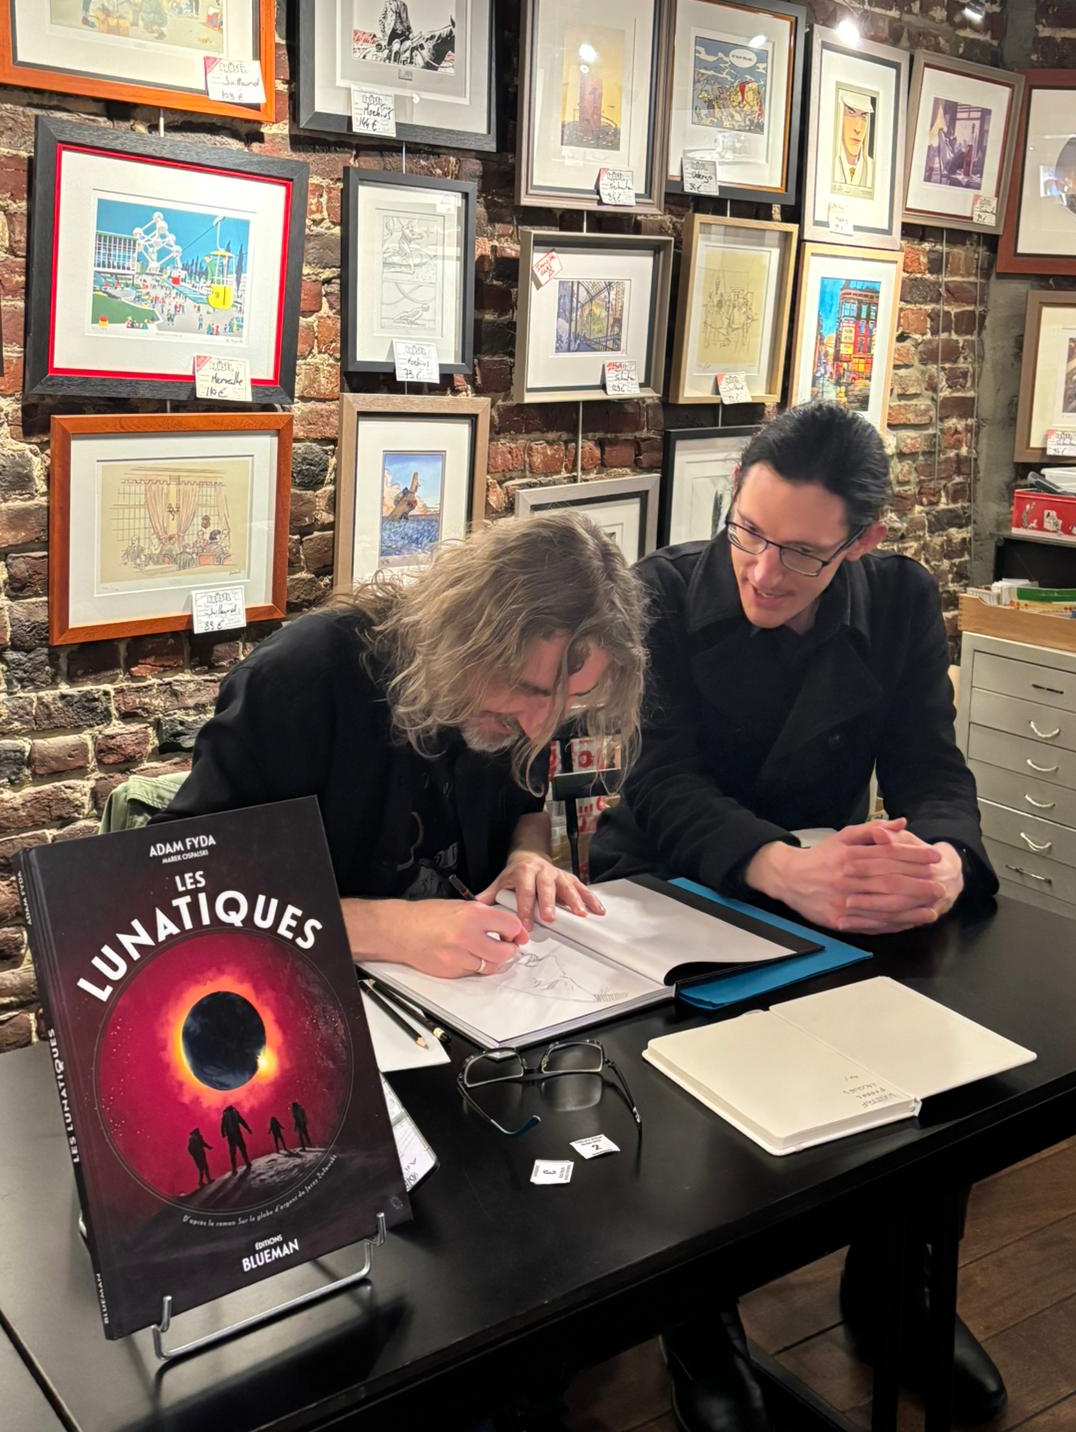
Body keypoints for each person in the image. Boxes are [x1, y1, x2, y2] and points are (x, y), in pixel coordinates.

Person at [590, 402, 1004, 1429]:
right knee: (689, 1097)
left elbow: (931, 767)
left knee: (939, 1037)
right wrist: (780, 866)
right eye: (748, 533)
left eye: (803, 554)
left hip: (826, 878)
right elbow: (658, 781)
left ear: (861, 541)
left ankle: (895, 1282)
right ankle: (700, 1323)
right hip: (676, 880)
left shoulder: (899, 600)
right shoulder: (660, 592)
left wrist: (947, 863)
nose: (764, 572)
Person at [158, 510, 646, 968]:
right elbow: (180, 891)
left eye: (568, 701)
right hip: (313, 984)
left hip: (470, 998)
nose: (539, 727)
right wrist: (388, 928)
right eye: (525, 689)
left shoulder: (521, 705)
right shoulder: (303, 678)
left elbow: (526, 808)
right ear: (469, 637)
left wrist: (528, 858)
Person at [833, 88, 876, 194]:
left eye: (863, 117)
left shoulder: (874, 169)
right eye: (851, 114)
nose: (858, 128)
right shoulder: (827, 164)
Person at [220, 1105, 252, 1174]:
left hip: (231, 1137)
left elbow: (222, 1126)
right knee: (242, 1149)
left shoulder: (225, 1116)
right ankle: (247, 1163)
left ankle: (234, 1169)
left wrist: (223, 1133)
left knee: (233, 1153)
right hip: (237, 1135)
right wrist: (248, 1129)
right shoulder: (235, 1114)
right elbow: (242, 1122)